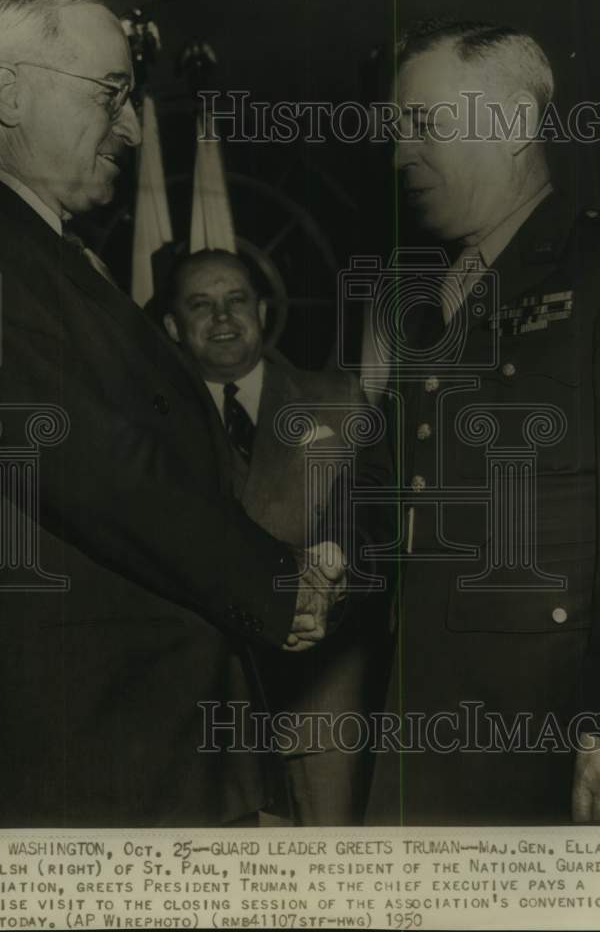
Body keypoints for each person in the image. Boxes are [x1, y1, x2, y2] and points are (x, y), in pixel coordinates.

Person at [0, 0, 344, 828]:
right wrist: (270, 582)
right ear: (8, 93)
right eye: (110, 94)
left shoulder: (38, 252)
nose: (134, 127)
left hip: (139, 755)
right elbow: (92, 464)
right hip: (85, 769)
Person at [365, 18, 600, 825]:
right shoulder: (432, 304)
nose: (399, 154)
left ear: (515, 123)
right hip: (428, 714)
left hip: (555, 726)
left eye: (423, 124)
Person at [159, 249, 393, 824]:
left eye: (236, 300)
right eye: (200, 305)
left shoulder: (337, 400)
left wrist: (334, 575)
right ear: (172, 326)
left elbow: (376, 518)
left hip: (321, 695)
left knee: (332, 865)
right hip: (202, 708)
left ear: (262, 312)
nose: (222, 317)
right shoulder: (150, 417)